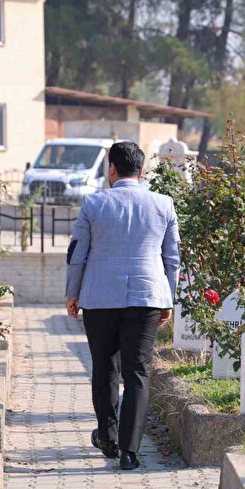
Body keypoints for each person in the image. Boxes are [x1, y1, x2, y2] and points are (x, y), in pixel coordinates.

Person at [65, 141, 180, 470]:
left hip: (99, 299)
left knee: (104, 369)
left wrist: (73, 294)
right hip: (146, 297)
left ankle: (109, 439)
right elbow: (172, 259)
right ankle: (130, 451)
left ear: (111, 169)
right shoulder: (164, 204)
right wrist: (167, 299)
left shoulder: (93, 203)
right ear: (141, 173)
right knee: (138, 372)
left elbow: (78, 255)